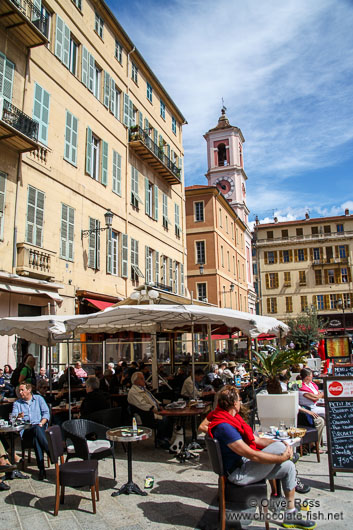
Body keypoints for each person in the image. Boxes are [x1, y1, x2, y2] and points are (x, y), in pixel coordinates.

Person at [201, 386, 316, 530]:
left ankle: (290, 513)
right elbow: (251, 454)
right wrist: (281, 456)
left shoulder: (232, 420)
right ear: (234, 402)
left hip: (244, 465)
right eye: (239, 399)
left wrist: (281, 444)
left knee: (289, 467)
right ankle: (288, 457)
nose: (241, 401)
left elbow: (256, 441)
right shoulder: (225, 427)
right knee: (281, 452)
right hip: (238, 474)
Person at [12, 382, 50, 480]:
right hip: (26, 430)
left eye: (22, 390)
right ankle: (50, 451)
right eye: (19, 390)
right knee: (36, 430)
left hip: (39, 427)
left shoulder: (39, 399)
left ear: (29, 390)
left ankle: (41, 469)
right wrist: (18, 417)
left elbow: (46, 413)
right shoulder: (17, 403)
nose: (20, 392)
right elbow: (13, 419)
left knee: (36, 437)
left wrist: (42, 422)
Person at [127, 372, 172, 448]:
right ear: (135, 381)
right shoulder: (133, 392)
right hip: (146, 415)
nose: (144, 380)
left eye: (143, 378)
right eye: (141, 378)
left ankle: (166, 438)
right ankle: (160, 440)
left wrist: (159, 405)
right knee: (165, 419)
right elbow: (142, 404)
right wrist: (154, 410)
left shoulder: (143, 389)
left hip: (154, 411)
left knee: (170, 417)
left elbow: (153, 399)